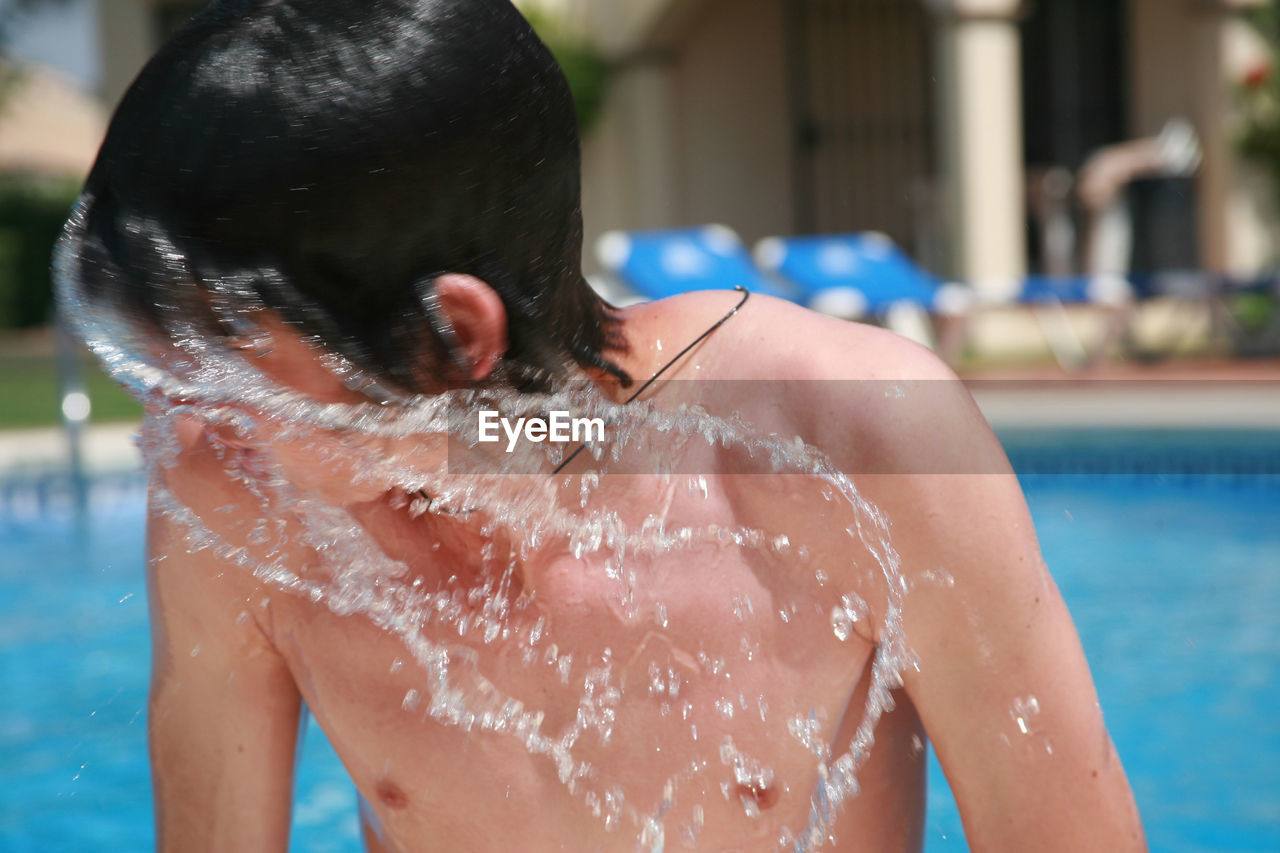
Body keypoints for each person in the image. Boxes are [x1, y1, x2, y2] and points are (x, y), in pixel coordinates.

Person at [58, 1, 1146, 850]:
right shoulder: (236, 498)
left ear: (448, 338)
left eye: (224, 357)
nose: (177, 410)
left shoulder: (845, 445)